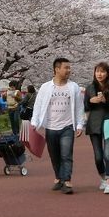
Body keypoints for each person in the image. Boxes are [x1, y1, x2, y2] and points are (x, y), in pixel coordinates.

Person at [31, 57, 85, 194]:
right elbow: (38, 105)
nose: (69, 70)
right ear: (57, 69)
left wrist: (79, 124)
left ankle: (67, 181)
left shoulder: (74, 87)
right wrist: (34, 122)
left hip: (67, 126)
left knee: (66, 154)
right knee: (54, 155)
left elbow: (79, 107)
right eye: (66, 68)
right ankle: (58, 178)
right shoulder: (45, 87)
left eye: (69, 68)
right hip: (50, 127)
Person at [84, 62, 109, 194]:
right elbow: (86, 107)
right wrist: (90, 101)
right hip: (94, 124)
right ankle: (103, 177)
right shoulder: (89, 88)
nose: (100, 74)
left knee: (108, 154)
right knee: (98, 156)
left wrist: (105, 101)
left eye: (103, 71)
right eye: (97, 71)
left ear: (107, 73)